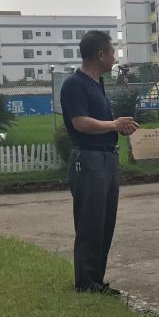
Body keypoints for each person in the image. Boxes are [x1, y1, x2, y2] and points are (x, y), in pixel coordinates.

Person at [60, 30, 138, 293]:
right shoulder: (75, 84)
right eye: (113, 52)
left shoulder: (97, 84)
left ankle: (96, 280)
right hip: (89, 159)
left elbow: (100, 124)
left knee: (105, 222)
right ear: (100, 54)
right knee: (90, 222)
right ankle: (86, 282)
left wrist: (117, 127)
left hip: (106, 157)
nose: (115, 57)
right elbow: (80, 123)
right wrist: (114, 124)